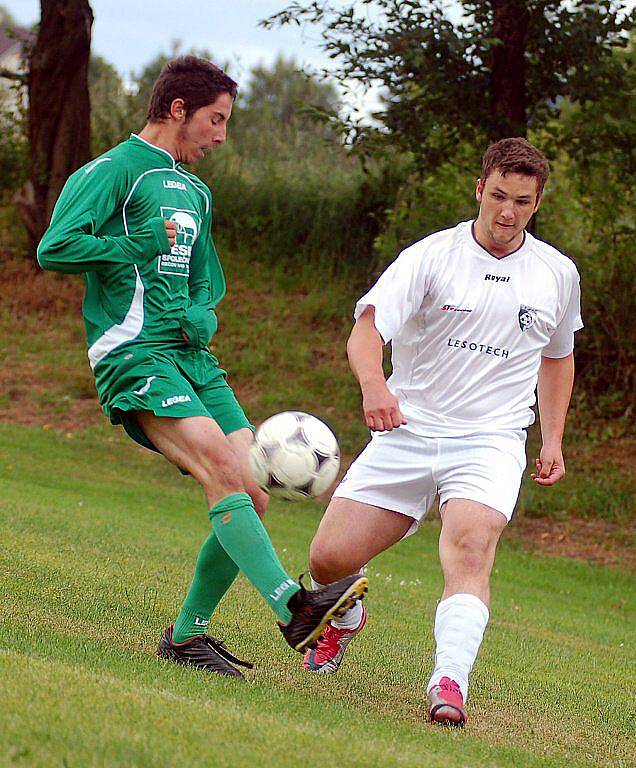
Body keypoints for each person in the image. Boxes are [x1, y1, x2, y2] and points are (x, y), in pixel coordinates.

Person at [37, 55, 367, 680]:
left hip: (193, 360)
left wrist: (201, 312)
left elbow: (205, 279)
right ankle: (294, 609)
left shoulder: (195, 191)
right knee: (221, 468)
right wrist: (131, 248)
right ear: (178, 109)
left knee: (252, 492)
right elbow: (55, 248)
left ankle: (188, 636)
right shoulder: (113, 171)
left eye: (227, 123)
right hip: (133, 353)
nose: (221, 135)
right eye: (215, 120)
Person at [302, 138, 582, 726]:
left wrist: (552, 438)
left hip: (491, 440)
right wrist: (375, 389)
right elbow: (367, 330)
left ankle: (448, 682)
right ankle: (347, 614)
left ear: (538, 203)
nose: (507, 212)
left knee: (471, 549)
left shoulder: (557, 273)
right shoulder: (432, 255)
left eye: (522, 202)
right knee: (326, 561)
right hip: (408, 428)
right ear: (480, 189)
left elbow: (557, 359)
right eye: (498, 196)